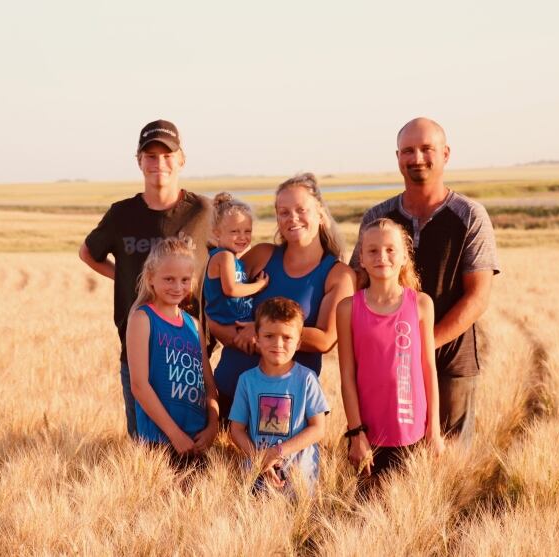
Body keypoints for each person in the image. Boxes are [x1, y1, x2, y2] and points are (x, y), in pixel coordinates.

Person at [349, 117, 499, 437]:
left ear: (445, 154)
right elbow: (356, 282)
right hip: (385, 365)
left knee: (449, 464)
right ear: (398, 158)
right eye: (408, 150)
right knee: (387, 458)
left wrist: (422, 347)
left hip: (451, 363)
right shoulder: (377, 218)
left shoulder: (470, 216)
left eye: (426, 149)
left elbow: (477, 297)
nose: (417, 158)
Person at [79, 119, 212, 438]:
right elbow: (88, 253)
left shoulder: (203, 211)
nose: (159, 163)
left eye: (167, 155)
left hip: (191, 350)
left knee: (193, 445)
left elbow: (228, 258)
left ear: (181, 159)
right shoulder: (121, 214)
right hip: (139, 348)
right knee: (146, 442)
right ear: (139, 161)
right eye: (150, 156)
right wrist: (129, 280)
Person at [209, 173, 356, 420]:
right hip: (229, 392)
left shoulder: (339, 275)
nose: (292, 218)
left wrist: (259, 331)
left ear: (320, 214)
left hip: (285, 406)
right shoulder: (260, 255)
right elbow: (215, 309)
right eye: (283, 212)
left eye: (301, 209)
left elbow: (325, 339)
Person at [337, 218, 444, 476]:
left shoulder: (421, 304)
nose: (381, 257)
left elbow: (428, 369)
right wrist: (356, 432)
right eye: (372, 250)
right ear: (361, 257)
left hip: (413, 429)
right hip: (368, 432)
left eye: (390, 250)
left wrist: (434, 429)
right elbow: (347, 376)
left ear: (405, 256)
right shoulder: (348, 308)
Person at [126, 237, 219, 462]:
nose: (178, 287)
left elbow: (208, 383)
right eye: (169, 279)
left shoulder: (194, 325)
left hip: (197, 438)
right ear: (151, 278)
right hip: (160, 440)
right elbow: (139, 385)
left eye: (185, 280)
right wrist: (174, 434)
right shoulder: (143, 318)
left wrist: (213, 427)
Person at [229, 297, 329, 490]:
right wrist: (260, 459)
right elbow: (237, 430)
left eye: (287, 337)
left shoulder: (306, 379)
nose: (278, 344)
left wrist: (278, 451)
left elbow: (318, 428)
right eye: (269, 336)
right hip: (258, 475)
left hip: (300, 477)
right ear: (256, 338)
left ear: (299, 342)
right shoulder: (247, 381)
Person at [203, 192, 269, 327]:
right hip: (230, 324)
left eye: (247, 231)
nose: (242, 237)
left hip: (240, 321)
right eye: (234, 231)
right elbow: (231, 290)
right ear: (217, 233)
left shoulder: (232, 257)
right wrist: (260, 285)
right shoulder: (224, 256)